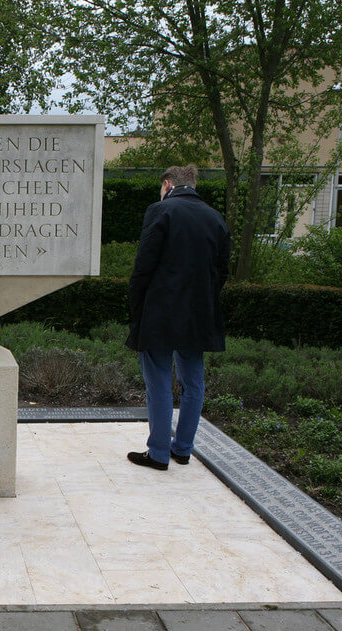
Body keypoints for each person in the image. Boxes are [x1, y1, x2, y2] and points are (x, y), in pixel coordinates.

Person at [125, 165, 230, 471]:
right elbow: (222, 270)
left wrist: (136, 308)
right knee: (193, 381)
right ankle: (182, 449)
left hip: (160, 311)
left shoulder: (161, 211)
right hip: (199, 313)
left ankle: (158, 453)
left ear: (168, 184)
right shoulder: (215, 217)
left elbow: (144, 266)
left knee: (158, 380)